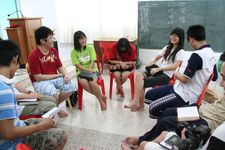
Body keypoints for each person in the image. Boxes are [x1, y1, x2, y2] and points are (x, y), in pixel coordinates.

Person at [121, 49, 225, 150]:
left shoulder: (189, 54)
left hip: (205, 120)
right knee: (167, 112)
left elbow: (184, 78)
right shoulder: (169, 48)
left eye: (224, 78)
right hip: (199, 111)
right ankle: (143, 139)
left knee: (167, 121)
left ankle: (142, 141)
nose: (221, 84)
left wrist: (176, 73)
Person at [0, 40, 67, 150]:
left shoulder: (4, 84)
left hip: (17, 122)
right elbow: (8, 133)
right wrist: (40, 126)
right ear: (14, 60)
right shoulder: (4, 90)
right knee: (62, 135)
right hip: (11, 143)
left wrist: (29, 93)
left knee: (51, 121)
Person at [144, 25, 218, 117]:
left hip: (185, 95)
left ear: (191, 39)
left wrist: (176, 72)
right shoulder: (211, 53)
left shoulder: (196, 55)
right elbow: (214, 77)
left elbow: (184, 79)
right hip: (179, 87)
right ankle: (167, 112)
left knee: (152, 108)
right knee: (149, 95)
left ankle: (167, 118)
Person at [125, 27, 185, 111]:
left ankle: (138, 103)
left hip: (166, 75)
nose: (173, 37)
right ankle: (137, 102)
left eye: (176, 36)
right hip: (158, 70)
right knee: (138, 75)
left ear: (180, 38)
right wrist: (152, 61)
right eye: (172, 35)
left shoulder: (181, 52)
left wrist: (159, 69)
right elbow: (157, 57)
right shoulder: (167, 47)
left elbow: (175, 66)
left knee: (142, 82)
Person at [28, 26, 76, 117]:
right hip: (40, 82)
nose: (53, 40)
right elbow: (38, 77)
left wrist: (65, 75)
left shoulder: (53, 50)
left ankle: (52, 107)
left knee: (71, 86)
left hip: (54, 78)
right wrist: (56, 75)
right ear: (42, 41)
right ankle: (56, 109)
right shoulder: (33, 56)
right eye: (51, 38)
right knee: (53, 93)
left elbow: (60, 66)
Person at [70, 31, 107, 111]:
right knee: (83, 83)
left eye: (84, 38)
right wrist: (87, 70)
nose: (83, 40)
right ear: (76, 41)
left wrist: (89, 70)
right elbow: (78, 66)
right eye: (80, 39)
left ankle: (101, 102)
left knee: (92, 82)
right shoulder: (73, 52)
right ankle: (101, 97)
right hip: (81, 72)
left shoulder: (90, 47)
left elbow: (93, 61)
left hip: (93, 70)